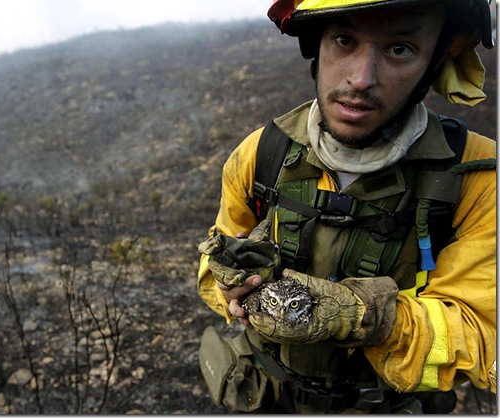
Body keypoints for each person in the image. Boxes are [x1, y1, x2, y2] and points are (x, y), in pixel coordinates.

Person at [196, 0, 496, 413]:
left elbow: (481, 336)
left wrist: (360, 317)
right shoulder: (262, 153)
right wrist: (232, 284)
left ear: (440, 57)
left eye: (400, 49)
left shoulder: (479, 178)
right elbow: (214, 261)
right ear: (316, 45)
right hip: (271, 397)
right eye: (344, 39)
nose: (360, 79)